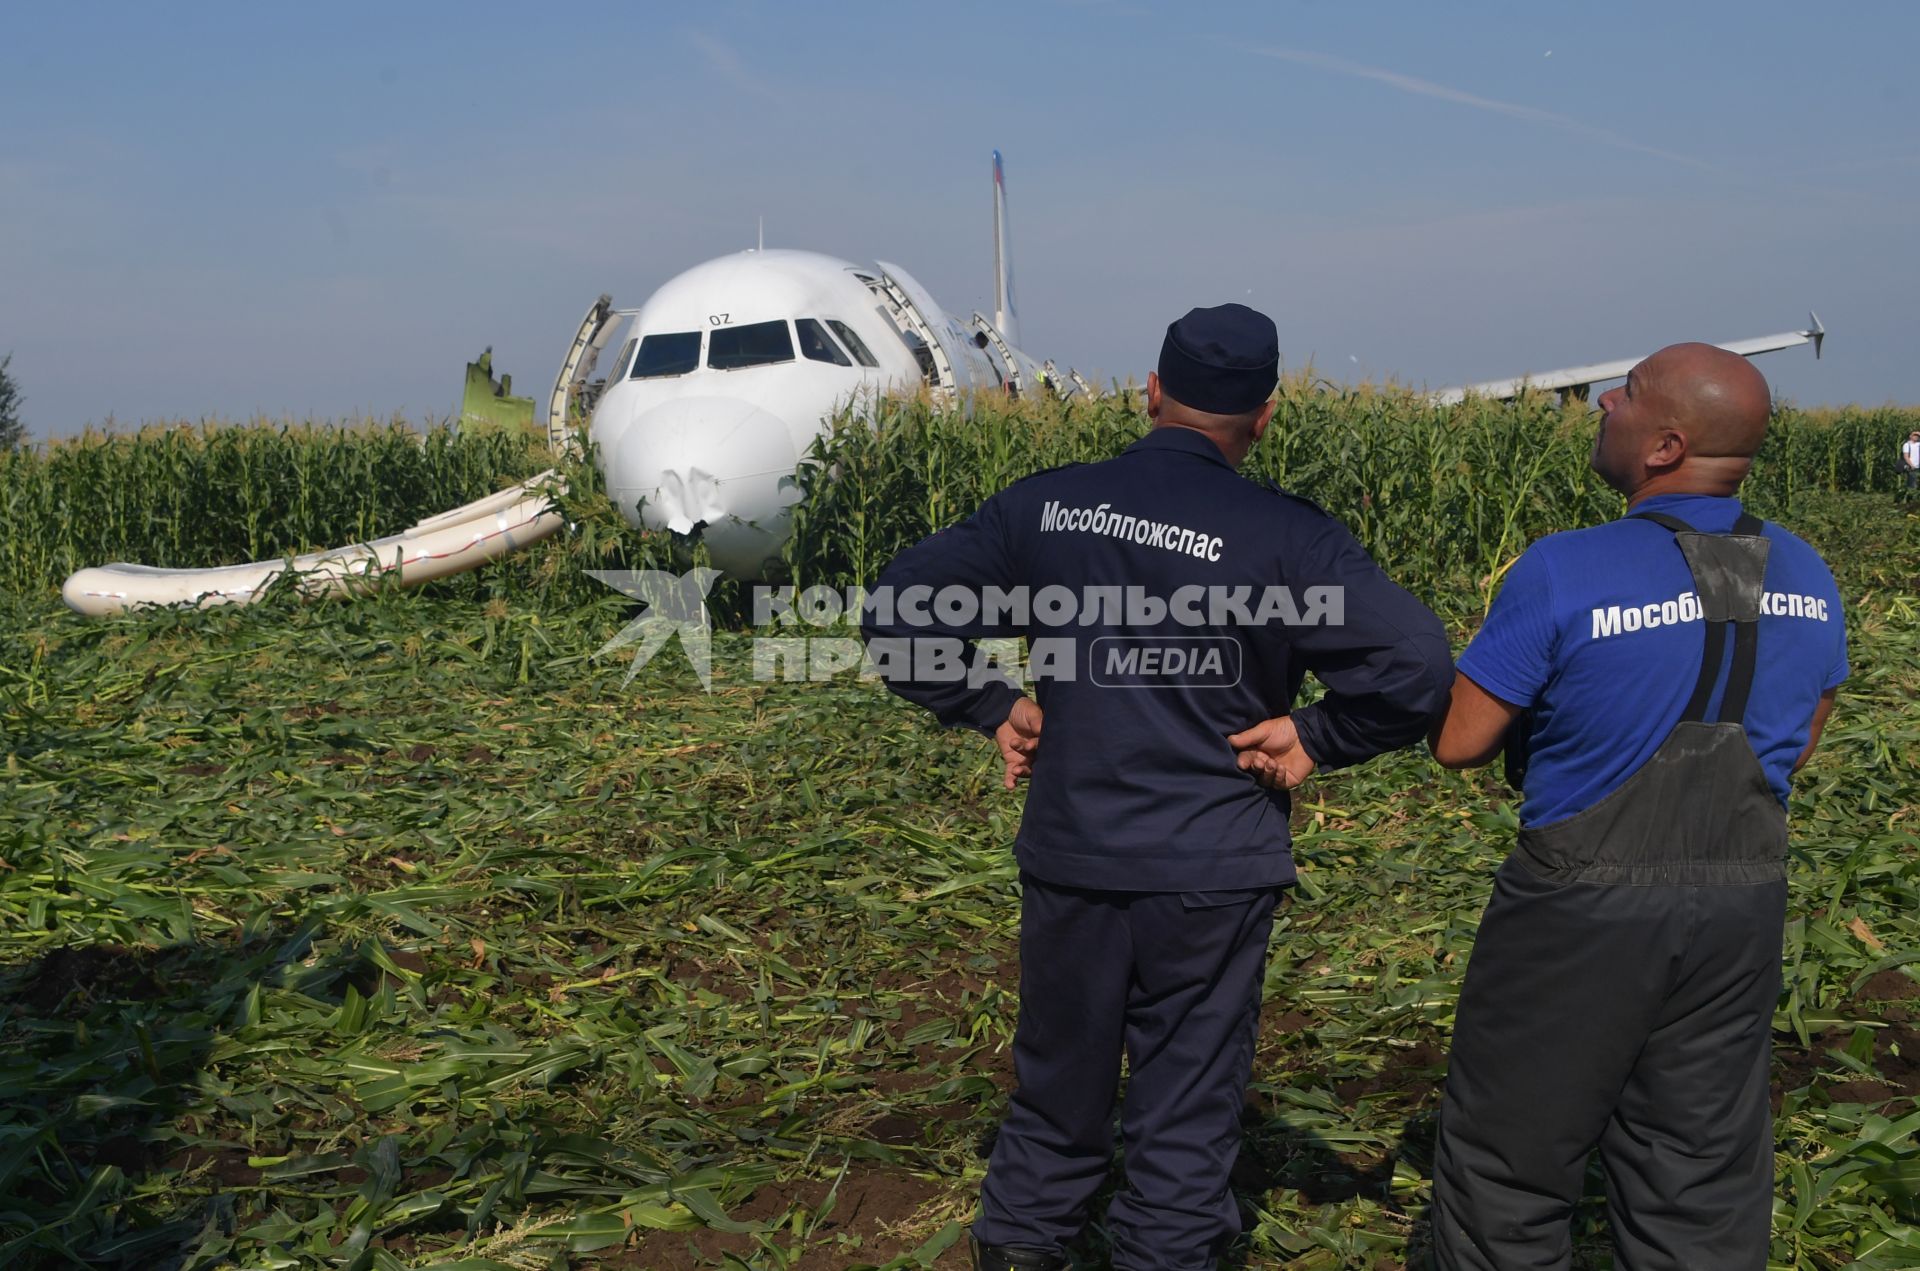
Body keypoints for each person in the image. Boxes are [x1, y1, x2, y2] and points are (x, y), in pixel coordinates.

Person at [860, 304, 1453, 1271]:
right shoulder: (1287, 538)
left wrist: (987, 702)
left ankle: (1019, 1245)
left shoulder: (1049, 506)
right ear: (1264, 417)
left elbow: (896, 610)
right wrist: (1317, 735)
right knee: (1185, 1107)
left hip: (1075, 851)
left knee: (1057, 1084)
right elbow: (1418, 664)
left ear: (1149, 393)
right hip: (1213, 866)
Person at [1427, 343, 1847, 1269]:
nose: (1602, 401)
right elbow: (1801, 740)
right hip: (1742, 904)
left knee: (1508, 1166)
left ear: (1663, 446)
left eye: (1625, 394)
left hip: (1581, 905)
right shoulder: (1811, 575)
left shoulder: (1564, 569)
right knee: (1695, 1172)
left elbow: (1461, 741)